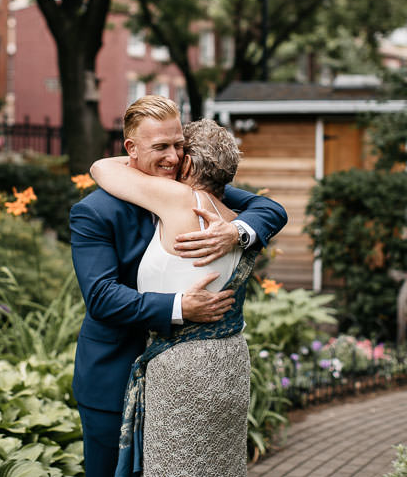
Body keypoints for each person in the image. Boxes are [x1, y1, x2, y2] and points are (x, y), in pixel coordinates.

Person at [67, 95, 285, 477]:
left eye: (178, 144)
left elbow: (270, 209)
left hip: (178, 382)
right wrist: (180, 306)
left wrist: (235, 232)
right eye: (160, 147)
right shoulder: (94, 212)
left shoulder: (191, 190)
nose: (173, 157)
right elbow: (101, 297)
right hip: (114, 375)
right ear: (131, 149)